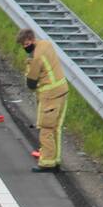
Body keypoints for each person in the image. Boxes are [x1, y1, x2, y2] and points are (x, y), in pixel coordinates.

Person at [17, 28, 68, 172]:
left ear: (32, 40)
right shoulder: (46, 44)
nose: (25, 47)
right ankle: (55, 160)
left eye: (26, 44)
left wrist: (28, 66)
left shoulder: (35, 58)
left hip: (49, 95)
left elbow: (31, 83)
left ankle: (46, 163)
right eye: (22, 45)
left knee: (46, 128)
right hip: (62, 90)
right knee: (56, 128)